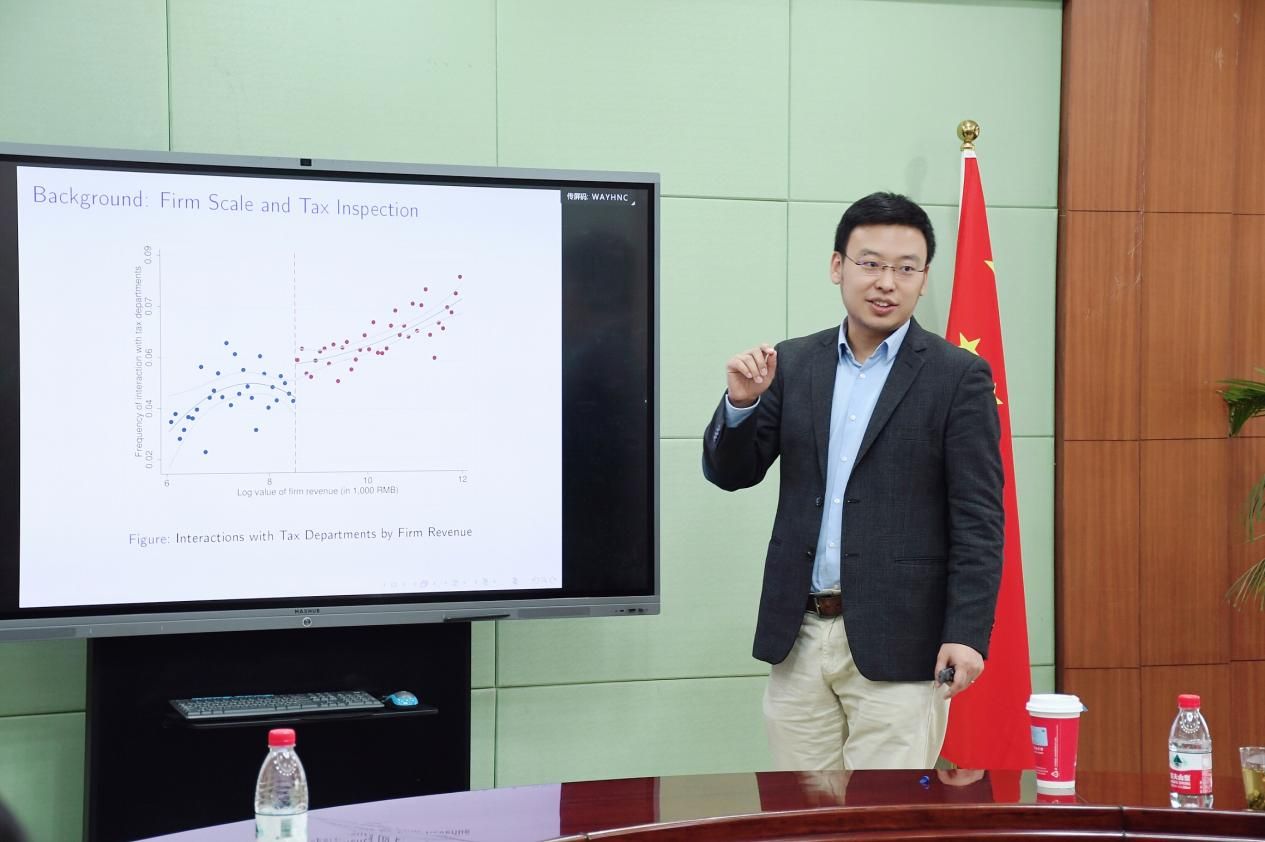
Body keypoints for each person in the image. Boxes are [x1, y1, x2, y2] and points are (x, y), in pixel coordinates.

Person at [702, 191, 1004, 771]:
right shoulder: (793, 364)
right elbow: (731, 474)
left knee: (882, 815)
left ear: (924, 279)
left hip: (903, 643)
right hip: (799, 635)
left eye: (906, 268)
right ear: (837, 266)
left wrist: (966, 632)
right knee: (801, 812)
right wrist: (741, 406)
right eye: (870, 264)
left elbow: (979, 519)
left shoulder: (957, 377)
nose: (886, 282)